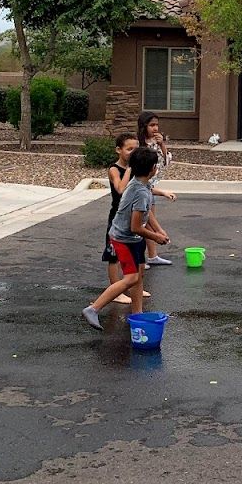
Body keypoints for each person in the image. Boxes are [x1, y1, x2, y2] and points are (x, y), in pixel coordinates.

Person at [83, 147, 166, 329]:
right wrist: (156, 237)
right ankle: (93, 309)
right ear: (153, 168)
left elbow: (145, 215)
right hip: (123, 239)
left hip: (133, 239)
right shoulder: (141, 192)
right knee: (130, 278)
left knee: (138, 275)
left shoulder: (138, 183)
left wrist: (159, 230)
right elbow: (135, 226)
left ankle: (138, 314)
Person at [102, 133, 145, 305]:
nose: (133, 152)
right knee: (114, 256)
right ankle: (116, 290)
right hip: (117, 218)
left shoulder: (136, 170)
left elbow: (143, 187)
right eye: (129, 149)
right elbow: (120, 189)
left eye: (136, 148)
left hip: (131, 216)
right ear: (119, 150)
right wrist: (129, 171)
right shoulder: (115, 169)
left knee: (135, 252)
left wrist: (162, 192)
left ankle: (135, 286)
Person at [137, 111, 175, 266]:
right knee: (142, 224)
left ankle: (152, 256)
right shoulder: (139, 144)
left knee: (149, 221)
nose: (155, 128)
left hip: (150, 186)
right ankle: (139, 258)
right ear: (143, 126)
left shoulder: (155, 142)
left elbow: (165, 163)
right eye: (151, 125)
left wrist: (162, 144)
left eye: (157, 125)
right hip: (142, 187)